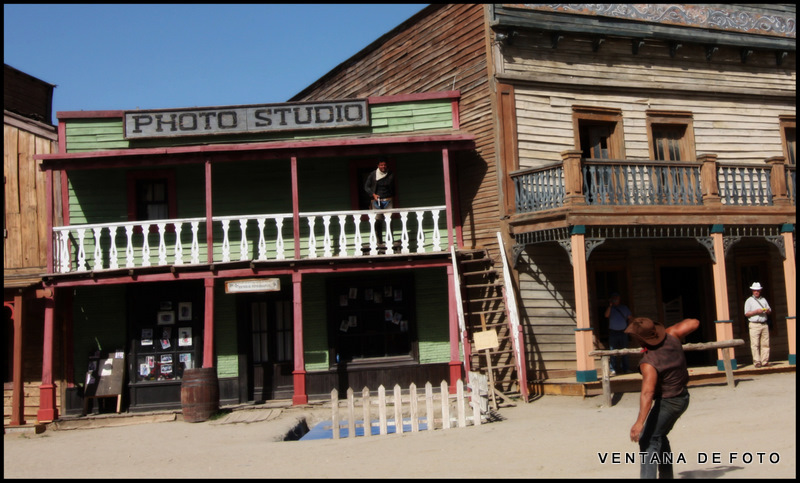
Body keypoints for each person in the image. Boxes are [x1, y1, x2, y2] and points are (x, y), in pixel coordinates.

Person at [626, 316, 699, 479]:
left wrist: (639, 422)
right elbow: (694, 322)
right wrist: (664, 334)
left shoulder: (649, 362)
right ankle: (666, 476)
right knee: (659, 434)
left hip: (670, 401)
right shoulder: (672, 334)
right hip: (682, 397)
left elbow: (647, 393)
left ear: (640, 339)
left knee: (648, 440)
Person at [363, 158, 395, 247]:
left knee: (389, 221)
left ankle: (390, 240)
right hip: (376, 201)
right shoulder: (373, 175)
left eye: (384, 165)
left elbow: (392, 187)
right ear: (378, 166)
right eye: (381, 165)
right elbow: (366, 187)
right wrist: (373, 194)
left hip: (388, 200)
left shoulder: (390, 174)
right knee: (378, 221)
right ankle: (379, 241)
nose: (383, 167)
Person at [744, 282, 772, 368]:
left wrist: (767, 311)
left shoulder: (763, 300)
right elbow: (746, 313)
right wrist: (756, 312)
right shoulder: (749, 301)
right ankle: (757, 362)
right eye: (754, 290)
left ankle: (765, 361)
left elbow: (770, 310)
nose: (756, 292)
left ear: (760, 291)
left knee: (765, 343)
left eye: (758, 290)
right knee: (755, 344)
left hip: (764, 323)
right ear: (752, 291)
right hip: (754, 324)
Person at [604, 292, 632, 376]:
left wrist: (629, 328)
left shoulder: (624, 308)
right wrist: (610, 305)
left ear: (619, 299)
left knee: (625, 351)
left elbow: (630, 317)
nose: (615, 300)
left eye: (617, 298)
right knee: (613, 351)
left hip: (623, 331)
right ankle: (613, 369)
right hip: (613, 332)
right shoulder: (611, 308)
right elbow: (606, 315)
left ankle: (626, 368)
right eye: (614, 298)